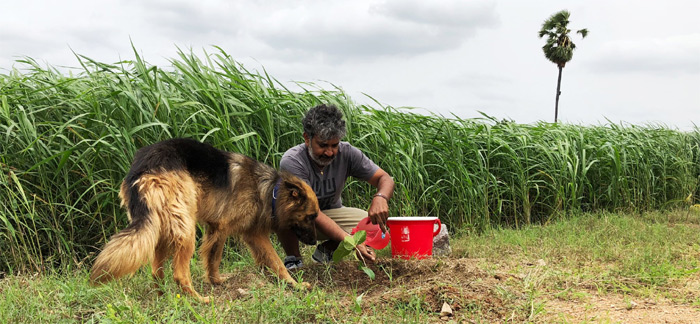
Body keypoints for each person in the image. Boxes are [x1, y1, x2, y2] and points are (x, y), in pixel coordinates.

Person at [278, 104, 395, 269]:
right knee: (284, 210)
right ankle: (294, 259)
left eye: (334, 145)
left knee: (373, 225)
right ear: (307, 138)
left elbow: (384, 178)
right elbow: (312, 212)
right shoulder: (292, 161)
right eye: (323, 145)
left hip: (331, 213)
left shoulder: (347, 153)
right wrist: (352, 242)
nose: (330, 152)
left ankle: (327, 251)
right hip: (301, 217)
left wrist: (381, 197)